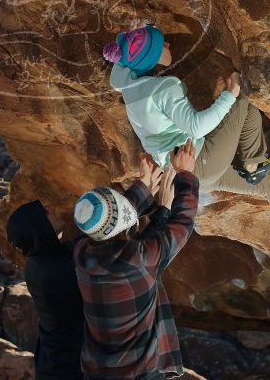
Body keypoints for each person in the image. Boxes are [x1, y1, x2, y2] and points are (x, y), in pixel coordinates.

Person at [102, 23, 270, 240]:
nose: (168, 44)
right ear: (150, 57)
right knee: (245, 102)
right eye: (162, 45)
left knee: (269, 185)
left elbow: (126, 59)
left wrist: (139, 35)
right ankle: (252, 164)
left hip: (190, 175)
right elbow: (196, 126)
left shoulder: (130, 88)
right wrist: (230, 93)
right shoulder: (163, 88)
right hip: (199, 160)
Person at [72, 142, 197, 379]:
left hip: (123, 369)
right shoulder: (138, 258)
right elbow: (182, 223)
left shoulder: (81, 254)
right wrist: (184, 175)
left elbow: (113, 225)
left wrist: (146, 188)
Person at [6, 199, 85, 380]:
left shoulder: (38, 263)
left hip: (54, 363)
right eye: (45, 210)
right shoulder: (59, 269)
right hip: (67, 369)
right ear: (40, 225)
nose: (53, 208)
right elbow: (103, 240)